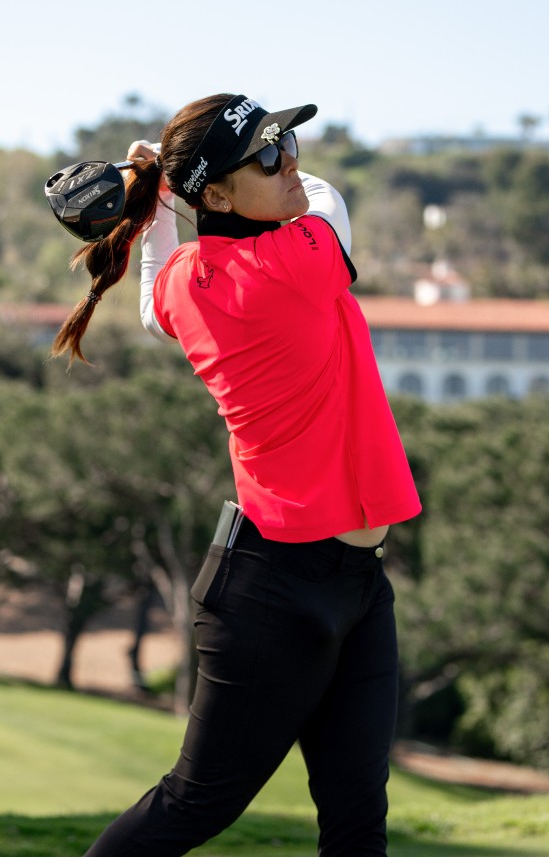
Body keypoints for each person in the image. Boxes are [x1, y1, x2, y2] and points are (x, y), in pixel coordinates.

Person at [52, 93, 422, 856]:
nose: (288, 160)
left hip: (351, 583)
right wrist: (169, 188)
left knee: (358, 820)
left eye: (287, 141)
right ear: (216, 195)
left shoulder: (193, 281)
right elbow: (330, 200)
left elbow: (156, 303)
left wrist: (163, 197)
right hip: (273, 591)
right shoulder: (298, 258)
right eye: (266, 153)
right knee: (195, 805)